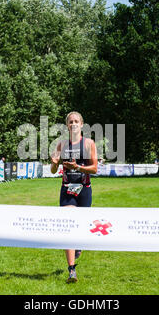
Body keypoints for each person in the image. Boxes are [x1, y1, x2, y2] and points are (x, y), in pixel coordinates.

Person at [50, 111, 98, 283]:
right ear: (67, 125)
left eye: (76, 121)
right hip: (67, 189)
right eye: (70, 122)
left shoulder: (89, 143)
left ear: (82, 124)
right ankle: (72, 270)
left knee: (82, 227)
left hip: (84, 189)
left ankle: (79, 245)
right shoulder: (61, 144)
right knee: (68, 227)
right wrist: (54, 163)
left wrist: (77, 167)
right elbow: (53, 170)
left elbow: (94, 169)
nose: (73, 124)